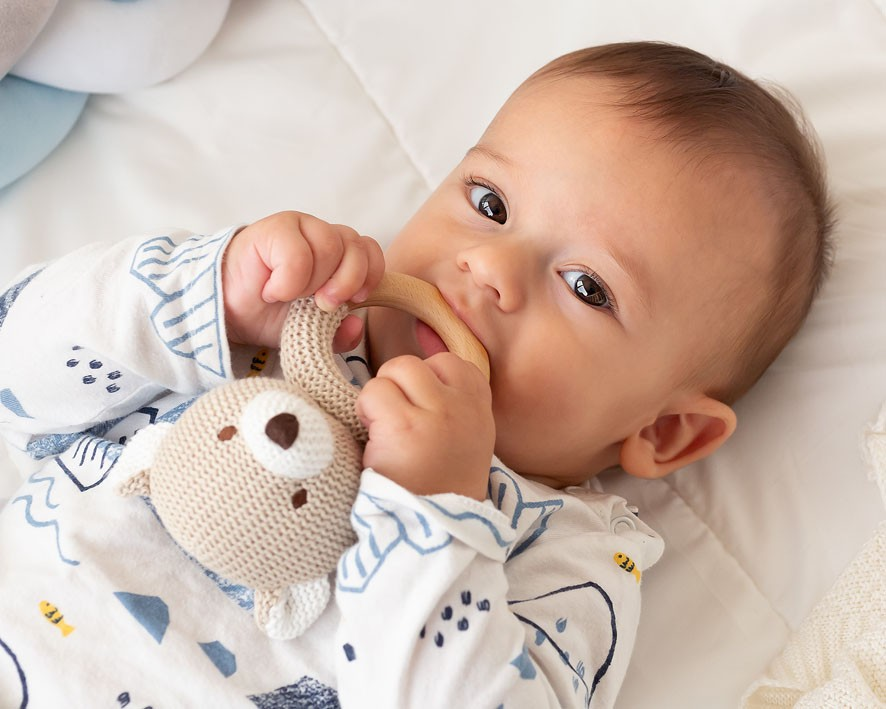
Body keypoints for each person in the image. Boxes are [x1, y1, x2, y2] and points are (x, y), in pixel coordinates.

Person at [0, 42, 833, 707]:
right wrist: (196, 297)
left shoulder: (565, 565)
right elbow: (19, 374)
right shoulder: (276, 330)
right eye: (489, 203)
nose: (489, 267)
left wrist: (433, 510)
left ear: (663, 430)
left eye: (588, 286)